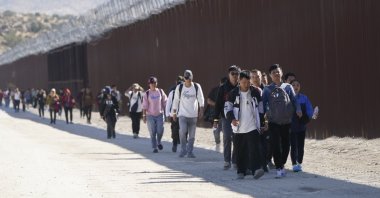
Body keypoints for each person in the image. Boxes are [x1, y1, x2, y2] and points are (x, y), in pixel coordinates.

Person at [262, 64, 302, 178]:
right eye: (274, 72)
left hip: (286, 121)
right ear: (270, 75)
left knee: (286, 145)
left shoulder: (288, 87)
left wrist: (298, 109)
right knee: (275, 144)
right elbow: (263, 104)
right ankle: (279, 168)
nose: (276, 74)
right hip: (273, 121)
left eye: (278, 71)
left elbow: (294, 100)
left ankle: (282, 163)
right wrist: (262, 119)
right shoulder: (267, 89)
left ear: (281, 73)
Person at [225, 70, 265, 179]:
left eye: (248, 82)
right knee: (240, 150)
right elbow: (227, 109)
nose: (246, 85)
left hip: (252, 125)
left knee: (254, 148)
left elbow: (261, 109)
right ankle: (241, 171)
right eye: (243, 82)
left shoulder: (255, 92)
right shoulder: (232, 94)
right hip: (238, 127)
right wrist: (232, 119)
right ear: (239, 81)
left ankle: (256, 169)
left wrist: (262, 123)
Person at [172, 70, 204, 158]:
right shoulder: (180, 87)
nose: (188, 80)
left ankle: (190, 151)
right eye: (186, 78)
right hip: (182, 114)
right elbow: (176, 100)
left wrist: (201, 109)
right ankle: (183, 150)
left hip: (193, 115)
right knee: (182, 131)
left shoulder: (197, 87)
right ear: (184, 78)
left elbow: (201, 98)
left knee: (192, 135)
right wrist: (174, 112)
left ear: (192, 77)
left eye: (189, 78)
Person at [213, 65, 240, 169]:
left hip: (238, 117)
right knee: (227, 137)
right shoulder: (223, 88)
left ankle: (235, 161)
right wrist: (215, 119)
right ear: (229, 75)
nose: (234, 76)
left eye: (236, 73)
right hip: (226, 118)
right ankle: (227, 160)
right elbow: (218, 105)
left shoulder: (241, 86)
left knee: (237, 139)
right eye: (232, 74)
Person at [251, 69, 274, 171]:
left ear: (261, 77)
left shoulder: (267, 90)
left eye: (258, 77)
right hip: (250, 122)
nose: (256, 79)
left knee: (265, 144)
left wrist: (266, 122)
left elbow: (269, 107)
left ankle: (264, 165)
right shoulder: (246, 90)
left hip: (264, 120)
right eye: (253, 77)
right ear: (250, 79)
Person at [290, 80, 314, 172]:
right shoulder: (287, 98)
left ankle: (299, 162)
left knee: (301, 145)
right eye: (293, 85)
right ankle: (294, 164)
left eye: (297, 85)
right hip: (291, 126)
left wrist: (306, 117)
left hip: (301, 126)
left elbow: (310, 111)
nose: (296, 87)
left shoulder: (304, 98)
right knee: (293, 145)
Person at [142, 77, 167, 153]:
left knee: (160, 130)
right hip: (150, 115)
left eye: (154, 83)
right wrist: (144, 116)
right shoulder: (147, 93)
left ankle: (158, 141)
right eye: (151, 83)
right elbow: (144, 106)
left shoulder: (160, 91)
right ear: (149, 84)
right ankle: (154, 147)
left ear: (157, 83)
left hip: (160, 114)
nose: (153, 84)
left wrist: (168, 111)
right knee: (152, 132)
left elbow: (165, 101)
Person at [165, 76, 185, 152]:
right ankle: (174, 144)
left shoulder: (185, 93)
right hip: (174, 115)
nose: (180, 83)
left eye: (181, 82)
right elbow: (168, 104)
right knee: (174, 130)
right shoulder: (172, 93)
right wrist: (167, 114)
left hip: (184, 114)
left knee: (183, 130)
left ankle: (183, 145)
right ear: (176, 83)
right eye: (179, 82)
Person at [207, 77, 227, 146]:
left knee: (226, 132)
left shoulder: (229, 91)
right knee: (216, 131)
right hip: (216, 115)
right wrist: (216, 104)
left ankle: (225, 144)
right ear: (220, 83)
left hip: (225, 115)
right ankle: (217, 142)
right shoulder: (215, 90)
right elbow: (208, 101)